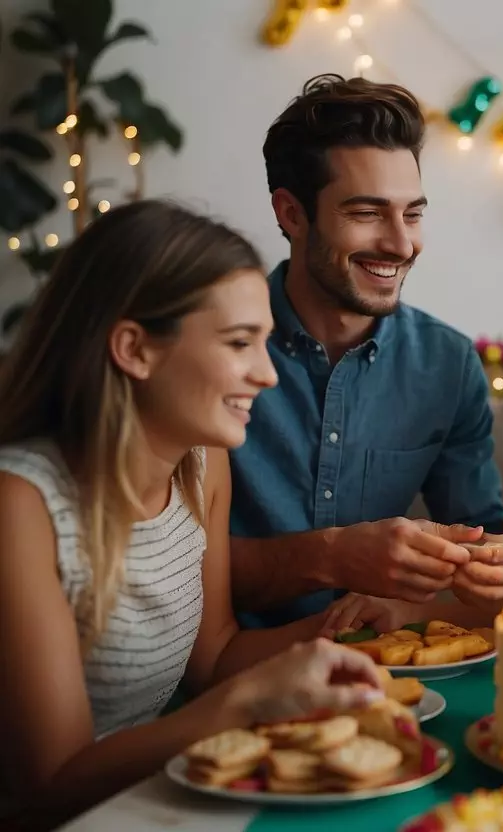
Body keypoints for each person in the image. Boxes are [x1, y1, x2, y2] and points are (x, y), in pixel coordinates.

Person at [0, 201, 387, 829]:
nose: (265, 374)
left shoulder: (202, 462)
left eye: (264, 342)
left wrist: (346, 629)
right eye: (239, 343)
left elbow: (214, 658)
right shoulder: (22, 504)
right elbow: (49, 786)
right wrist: (246, 703)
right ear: (134, 349)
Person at [228, 74, 503, 631]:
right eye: (367, 214)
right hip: (223, 671)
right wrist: (332, 556)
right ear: (292, 214)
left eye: (412, 214)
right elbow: (164, 571)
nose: (401, 244)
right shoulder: (214, 349)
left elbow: (479, 549)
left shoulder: (447, 364)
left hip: (386, 673)